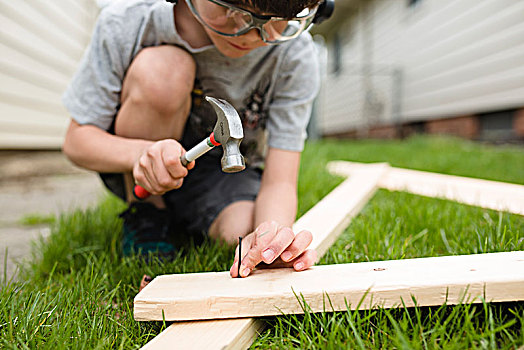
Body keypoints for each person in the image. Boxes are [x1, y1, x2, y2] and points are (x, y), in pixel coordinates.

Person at [62, 0, 332, 278]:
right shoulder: (128, 24)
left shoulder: (295, 54)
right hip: (143, 171)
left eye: (275, 20)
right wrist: (143, 154)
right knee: (164, 69)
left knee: (241, 232)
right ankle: (148, 214)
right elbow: (77, 142)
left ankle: (183, 218)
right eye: (235, 13)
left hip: (225, 174)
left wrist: (270, 240)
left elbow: (280, 181)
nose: (250, 34)